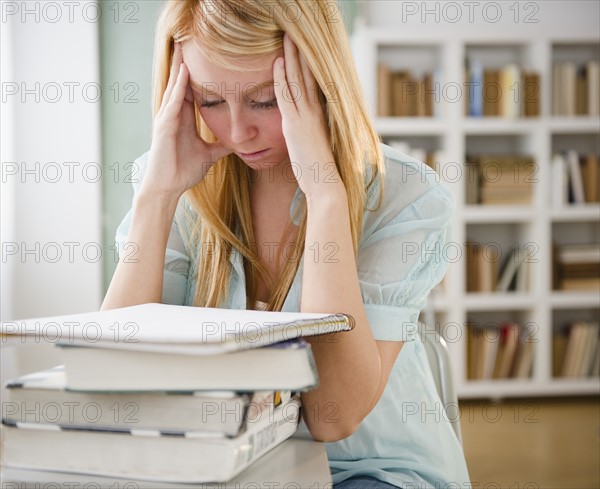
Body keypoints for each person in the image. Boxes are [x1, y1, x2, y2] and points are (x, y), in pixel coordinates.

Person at [102, 1, 471, 487]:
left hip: (363, 470)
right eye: (210, 100)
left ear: (320, 80)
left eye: (265, 100)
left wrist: (324, 194)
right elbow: (113, 375)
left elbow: (331, 418)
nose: (237, 132)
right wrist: (157, 195)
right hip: (222, 462)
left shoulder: (408, 196)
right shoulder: (175, 181)